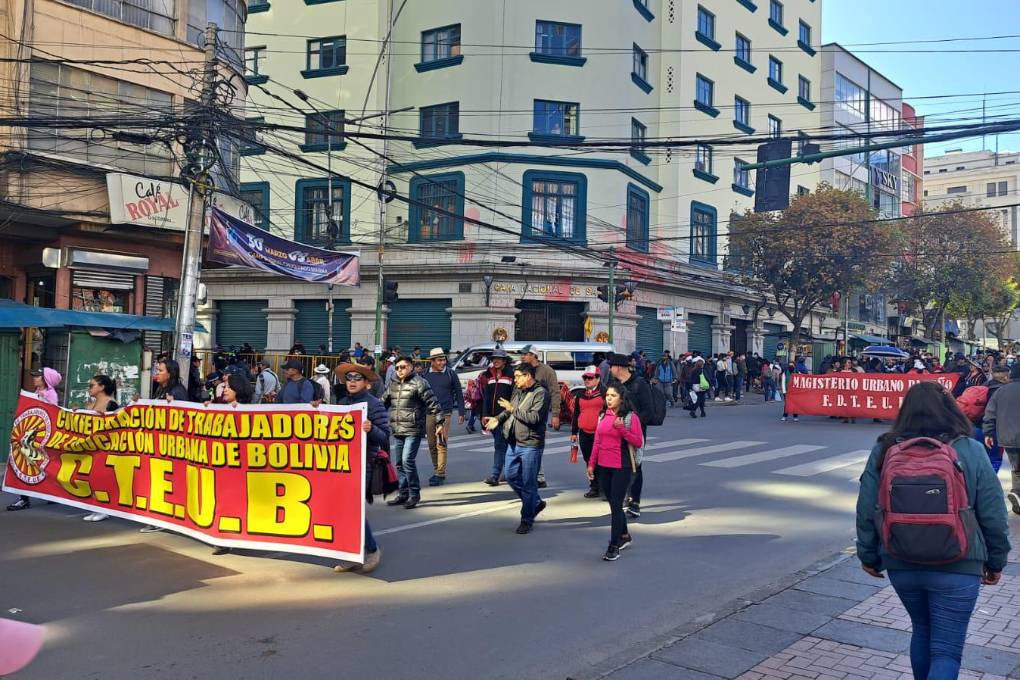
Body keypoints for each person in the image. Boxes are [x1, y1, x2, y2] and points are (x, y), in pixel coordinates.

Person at [856, 381, 1009, 679]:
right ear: (951, 409)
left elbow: (866, 508)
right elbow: (993, 513)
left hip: (901, 559)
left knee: (922, 631)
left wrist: (868, 555)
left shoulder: (885, 448)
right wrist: (996, 561)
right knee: (947, 649)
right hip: (960, 562)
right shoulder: (970, 449)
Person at [334, 362, 388, 574]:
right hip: (340, 463)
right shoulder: (341, 402)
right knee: (341, 509)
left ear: (366, 383)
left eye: (357, 378)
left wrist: (371, 428)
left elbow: (384, 437)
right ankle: (350, 554)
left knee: (353, 508)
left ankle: (372, 549)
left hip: (364, 463)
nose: (352, 382)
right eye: (349, 378)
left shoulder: (374, 405)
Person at [486, 363, 549, 534]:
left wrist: (513, 409)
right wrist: (498, 419)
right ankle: (535, 502)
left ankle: (526, 519)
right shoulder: (518, 391)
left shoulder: (541, 393)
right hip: (514, 442)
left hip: (531, 444)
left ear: (528, 376)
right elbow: (508, 411)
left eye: (518, 376)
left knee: (529, 483)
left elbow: (534, 418)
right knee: (511, 476)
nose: (515, 380)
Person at [588, 384, 643, 561]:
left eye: (613, 395)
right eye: (607, 395)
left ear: (621, 398)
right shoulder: (603, 415)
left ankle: (613, 546)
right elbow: (597, 440)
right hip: (603, 467)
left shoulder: (630, 417)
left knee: (616, 506)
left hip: (622, 466)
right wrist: (591, 464)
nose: (609, 398)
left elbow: (638, 441)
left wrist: (621, 429)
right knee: (614, 504)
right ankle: (624, 534)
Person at [384, 356, 444, 509]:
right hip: (397, 429)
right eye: (397, 367)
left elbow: (433, 403)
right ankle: (403, 493)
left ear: (410, 367)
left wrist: (439, 422)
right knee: (399, 463)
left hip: (413, 429)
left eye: (403, 367)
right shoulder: (393, 384)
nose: (399, 370)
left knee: (407, 461)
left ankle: (414, 494)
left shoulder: (419, 382)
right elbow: (381, 403)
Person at [7, 367, 62, 512]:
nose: (34, 378)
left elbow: (50, 416)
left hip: (38, 437)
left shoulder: (51, 395)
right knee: (33, 463)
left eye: (38, 376)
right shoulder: (37, 393)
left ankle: (24, 499)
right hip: (31, 434)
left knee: (31, 463)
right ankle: (37, 495)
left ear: (46, 380)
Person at [608, 352, 653, 519]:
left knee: (636, 466)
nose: (610, 369)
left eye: (611, 366)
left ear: (619, 367)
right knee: (620, 465)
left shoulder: (639, 384)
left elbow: (648, 411)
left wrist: (632, 425)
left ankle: (635, 502)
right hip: (615, 431)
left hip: (635, 432)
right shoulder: (614, 384)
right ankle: (624, 496)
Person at [422, 348, 465, 487]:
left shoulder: (450, 374)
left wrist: (461, 412)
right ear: (432, 362)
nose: (442, 362)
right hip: (429, 413)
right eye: (439, 360)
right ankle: (437, 469)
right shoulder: (425, 375)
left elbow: (458, 392)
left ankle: (439, 473)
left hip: (445, 413)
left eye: (444, 360)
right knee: (431, 444)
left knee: (441, 443)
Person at [519, 345, 560, 488]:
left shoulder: (547, 371)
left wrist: (555, 414)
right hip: (522, 412)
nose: (522, 357)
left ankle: (539, 476)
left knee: (535, 443)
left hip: (540, 414)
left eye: (525, 354)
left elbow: (555, 392)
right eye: (522, 354)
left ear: (534, 355)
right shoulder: (521, 370)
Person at [82, 375, 120, 522]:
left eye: (92, 385)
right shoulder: (90, 404)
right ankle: (95, 507)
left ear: (102, 387)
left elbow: (117, 424)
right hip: (92, 447)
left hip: (105, 448)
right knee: (90, 478)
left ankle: (105, 508)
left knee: (101, 478)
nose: (89, 388)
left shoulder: (111, 404)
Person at [984, 362, 1020, 515]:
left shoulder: (1000, 391)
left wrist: (988, 433)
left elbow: (990, 414)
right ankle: (1017, 493)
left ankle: (1017, 494)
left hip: (1008, 437)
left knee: (1016, 468)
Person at [480, 350, 514, 486]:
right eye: (494, 359)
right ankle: (508, 473)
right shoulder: (489, 376)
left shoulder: (511, 376)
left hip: (506, 416)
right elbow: (486, 397)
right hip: (492, 417)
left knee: (500, 445)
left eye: (499, 359)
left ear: (505, 361)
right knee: (503, 445)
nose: (496, 361)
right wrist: (484, 415)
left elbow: (514, 397)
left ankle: (495, 475)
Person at [571, 366, 605, 498]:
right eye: (585, 377)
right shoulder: (580, 394)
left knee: (601, 461)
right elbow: (576, 414)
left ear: (597, 378)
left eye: (590, 378)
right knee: (588, 461)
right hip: (584, 433)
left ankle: (604, 487)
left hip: (600, 434)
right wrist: (574, 432)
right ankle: (594, 487)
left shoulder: (604, 392)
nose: (587, 380)